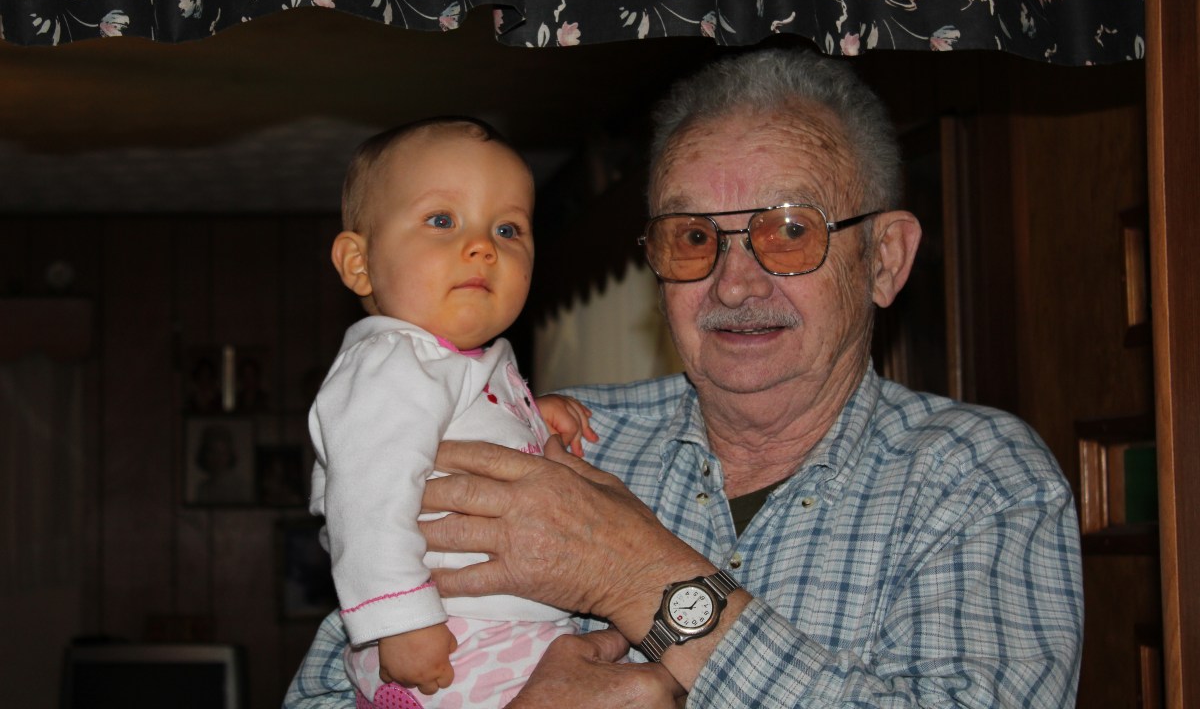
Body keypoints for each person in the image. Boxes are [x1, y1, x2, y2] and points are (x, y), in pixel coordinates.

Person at [286, 48, 1083, 708]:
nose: (734, 283)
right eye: (693, 237)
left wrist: (637, 576)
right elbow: (343, 673)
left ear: (885, 258)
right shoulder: (541, 442)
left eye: (790, 230)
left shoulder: (974, 475)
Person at [307, 118, 598, 709]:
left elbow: (461, 434)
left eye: (508, 228)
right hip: (451, 633)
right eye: (442, 220)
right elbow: (366, 498)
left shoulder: (462, 365)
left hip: (504, 628)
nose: (483, 246)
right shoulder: (391, 361)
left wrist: (532, 415)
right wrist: (399, 619)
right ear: (359, 263)